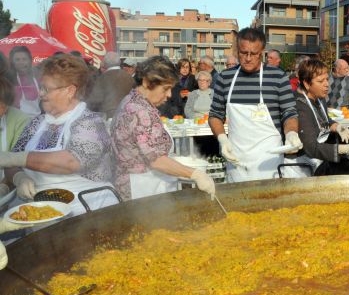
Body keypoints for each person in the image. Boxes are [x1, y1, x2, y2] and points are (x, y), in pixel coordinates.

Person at [0, 55, 118, 216]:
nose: (40, 94)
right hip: (42, 213)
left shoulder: (90, 122)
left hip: (88, 212)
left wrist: (17, 158)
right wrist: (18, 177)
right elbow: (11, 163)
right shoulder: (36, 123)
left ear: (70, 90)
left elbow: (71, 161)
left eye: (46, 89)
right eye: (40, 87)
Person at [111, 56, 215, 200]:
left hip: (140, 183)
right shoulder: (139, 110)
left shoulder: (134, 100)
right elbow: (156, 160)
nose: (169, 95)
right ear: (147, 82)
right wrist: (195, 174)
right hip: (142, 188)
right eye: (165, 89)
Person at [209, 28, 301, 182]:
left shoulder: (278, 76)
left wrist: (292, 133)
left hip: (269, 161)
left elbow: (289, 112)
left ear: (262, 52)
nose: (248, 58)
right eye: (244, 53)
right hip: (236, 159)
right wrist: (222, 140)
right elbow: (215, 116)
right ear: (237, 50)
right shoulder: (225, 78)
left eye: (254, 53)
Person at [284, 59, 349, 177]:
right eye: (320, 81)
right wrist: (343, 149)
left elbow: (325, 121)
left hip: (317, 160)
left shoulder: (319, 98)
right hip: (299, 166)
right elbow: (311, 147)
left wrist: (337, 127)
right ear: (307, 84)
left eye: (327, 79)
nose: (327, 84)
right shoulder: (299, 106)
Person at [0, 78, 31, 197]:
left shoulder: (21, 120)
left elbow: (17, 162)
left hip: (6, 184)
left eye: (5, 106)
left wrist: (4, 188)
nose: (2, 111)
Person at [86, 51, 136, 119]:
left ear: (105, 63)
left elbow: (94, 101)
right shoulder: (129, 78)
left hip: (107, 117)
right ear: (119, 62)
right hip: (125, 117)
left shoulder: (102, 78)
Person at [8, 46, 40, 117]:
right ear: (12, 62)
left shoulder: (37, 77)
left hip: (36, 120)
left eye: (24, 59)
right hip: (16, 121)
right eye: (17, 59)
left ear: (29, 60)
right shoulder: (9, 79)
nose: (21, 62)